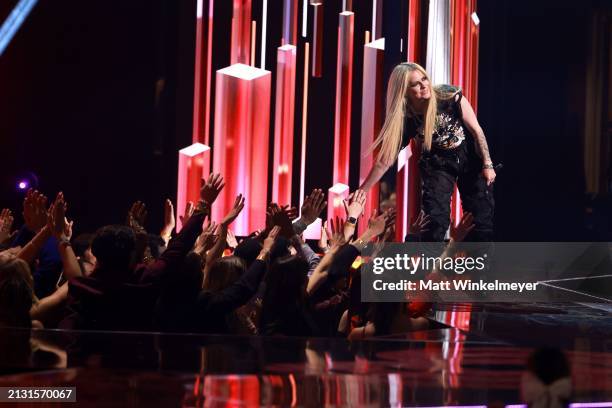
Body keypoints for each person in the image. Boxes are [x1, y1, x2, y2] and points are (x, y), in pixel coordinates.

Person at [359, 62, 496, 242]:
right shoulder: (407, 119)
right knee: (434, 219)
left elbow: (476, 131)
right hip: (438, 164)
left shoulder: (449, 95)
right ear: (405, 91)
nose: (424, 85)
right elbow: (385, 161)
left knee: (481, 217)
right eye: (416, 84)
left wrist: (487, 164)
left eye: (424, 79)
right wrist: (363, 190)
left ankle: (479, 267)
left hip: (469, 157)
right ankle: (430, 267)